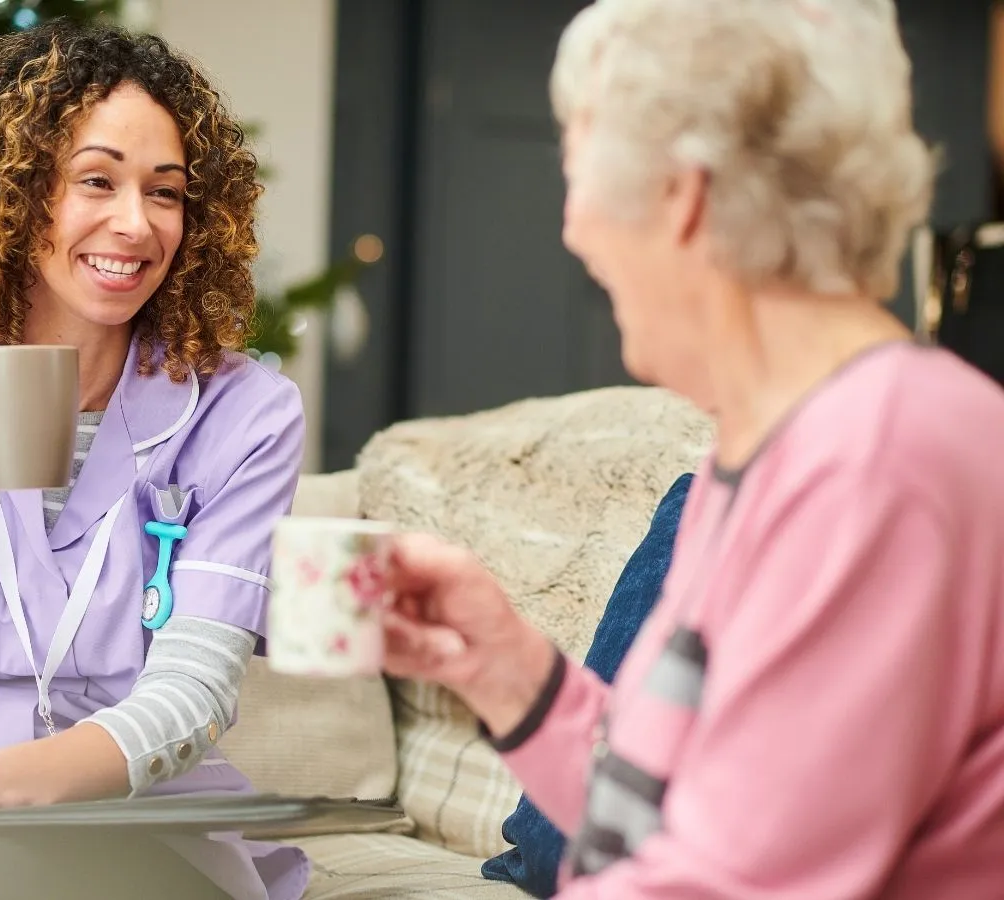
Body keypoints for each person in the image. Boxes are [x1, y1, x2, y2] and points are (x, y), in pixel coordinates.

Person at [383, 1, 1004, 898]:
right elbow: (656, 821)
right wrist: (505, 665)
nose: (572, 226)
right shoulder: (756, 450)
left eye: (579, 170)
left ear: (684, 195)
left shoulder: (880, 462)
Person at [0, 19, 309, 900]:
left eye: (166, 193)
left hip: (141, 820)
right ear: (11, 193)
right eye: (96, 181)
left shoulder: (245, 412)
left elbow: (191, 698)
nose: (135, 224)